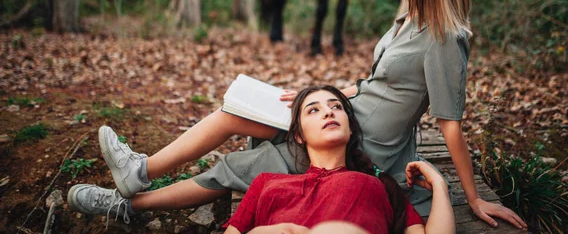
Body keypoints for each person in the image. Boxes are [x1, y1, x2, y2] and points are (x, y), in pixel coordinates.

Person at [68, 0, 526, 230]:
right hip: (348, 113)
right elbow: (386, 83)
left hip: (368, 144)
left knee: (234, 168)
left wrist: (472, 197)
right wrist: (332, 92)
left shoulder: (445, 39)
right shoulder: (410, 17)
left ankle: (126, 204)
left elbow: (450, 123)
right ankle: (139, 171)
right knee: (236, 110)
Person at [69, 85, 455, 234]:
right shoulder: (269, 184)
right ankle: (130, 194)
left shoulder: (380, 186)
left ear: (352, 128)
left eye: (337, 107)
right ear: (298, 135)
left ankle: (130, 194)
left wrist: (438, 183)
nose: (329, 112)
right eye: (314, 110)